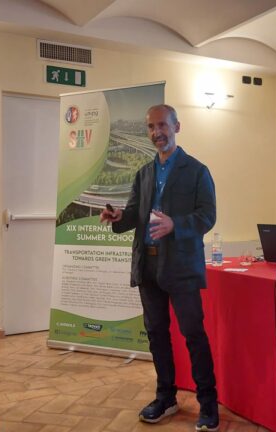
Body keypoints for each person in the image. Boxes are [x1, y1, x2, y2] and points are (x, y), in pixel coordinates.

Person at [99, 104, 219, 431]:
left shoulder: (197, 171)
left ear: (177, 126)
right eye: (151, 127)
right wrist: (119, 217)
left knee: (193, 335)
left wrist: (175, 225)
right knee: (156, 335)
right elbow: (137, 213)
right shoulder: (145, 172)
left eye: (162, 126)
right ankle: (166, 396)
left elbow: (207, 216)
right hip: (148, 266)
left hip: (181, 267)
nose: (156, 133)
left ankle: (208, 404)